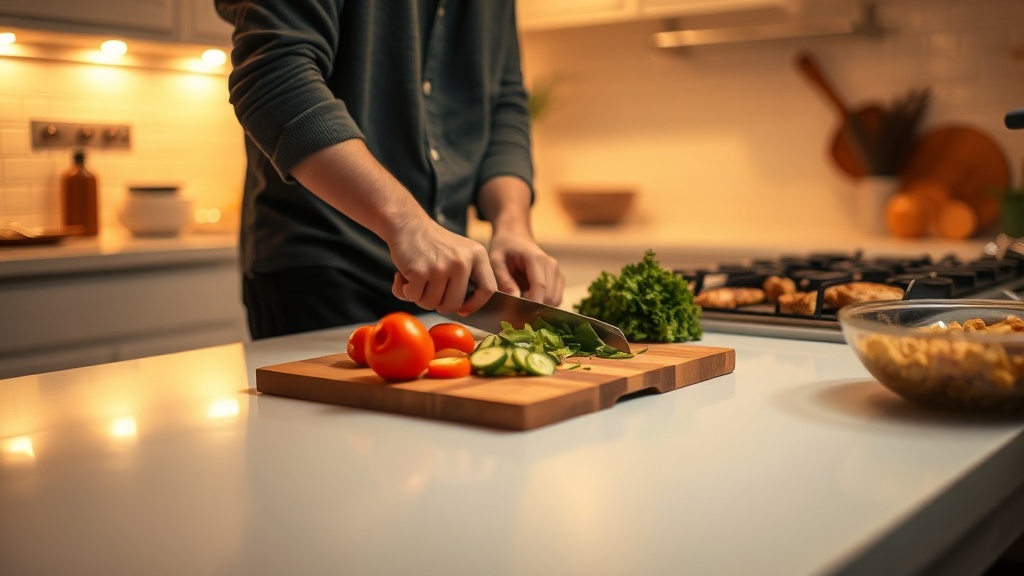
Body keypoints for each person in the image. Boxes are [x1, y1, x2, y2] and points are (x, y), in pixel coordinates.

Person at [215, 0, 564, 339]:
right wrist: (408, 223)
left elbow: (503, 102)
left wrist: (512, 225)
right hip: (320, 271)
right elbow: (274, 73)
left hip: (441, 281)